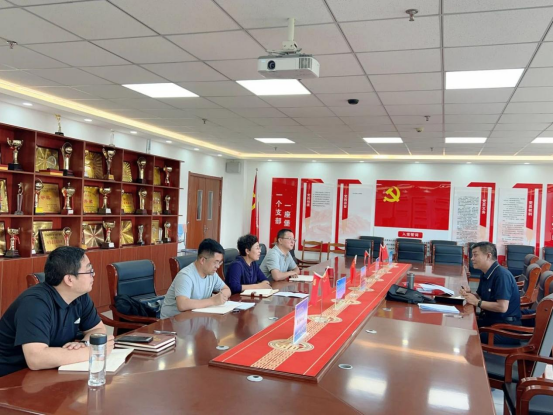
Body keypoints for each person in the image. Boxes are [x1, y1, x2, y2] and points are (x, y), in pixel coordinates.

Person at [0, 246, 114, 377]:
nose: (93, 275)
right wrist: (93, 351)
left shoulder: (80, 296)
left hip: (49, 371)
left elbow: (97, 329)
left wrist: (83, 344)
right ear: (69, 279)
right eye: (89, 271)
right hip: (11, 376)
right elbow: (36, 358)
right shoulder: (35, 303)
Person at [460, 241, 522, 345]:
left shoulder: (501, 276)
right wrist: (470, 294)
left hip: (506, 328)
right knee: (462, 324)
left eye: (475, 255)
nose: (472, 258)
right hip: (491, 321)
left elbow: (502, 307)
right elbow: (480, 296)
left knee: (468, 335)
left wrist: (477, 302)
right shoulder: (486, 273)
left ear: (488, 256)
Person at [161, 238, 231, 318]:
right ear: (202, 260)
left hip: (195, 318)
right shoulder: (185, 276)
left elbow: (227, 289)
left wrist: (220, 297)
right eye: (216, 262)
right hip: (173, 321)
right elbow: (182, 304)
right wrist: (213, 301)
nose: (218, 266)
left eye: (220, 262)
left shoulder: (212, 274)